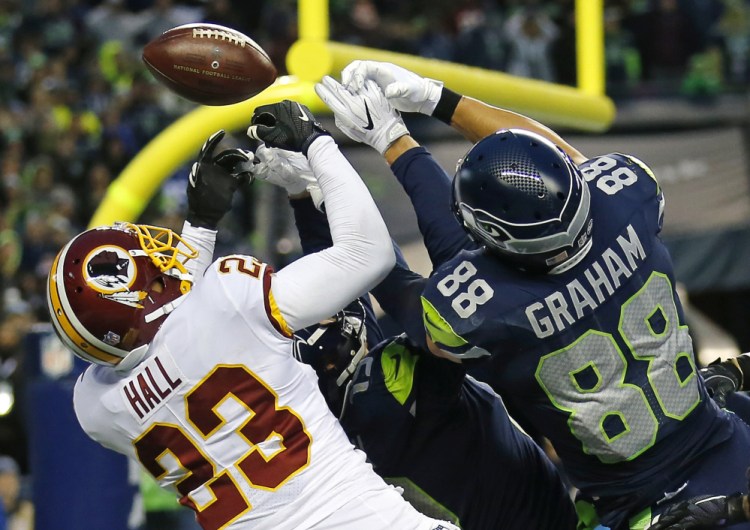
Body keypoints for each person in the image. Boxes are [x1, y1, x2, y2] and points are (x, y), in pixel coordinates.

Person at [313, 61, 750, 529]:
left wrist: (381, 150)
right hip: (724, 443)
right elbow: (559, 154)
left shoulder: (484, 308)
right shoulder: (628, 198)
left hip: (643, 507)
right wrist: (437, 103)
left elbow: (404, 272)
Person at [46, 100, 458, 530]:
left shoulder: (96, 409)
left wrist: (201, 224)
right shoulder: (227, 299)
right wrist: (316, 142)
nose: (166, 265)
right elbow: (367, 254)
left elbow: (167, 335)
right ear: (136, 303)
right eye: (154, 271)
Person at [249, 144, 579, 530]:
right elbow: (385, 273)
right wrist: (324, 182)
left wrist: (304, 199)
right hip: (542, 518)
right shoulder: (391, 388)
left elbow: (343, 288)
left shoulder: (328, 420)